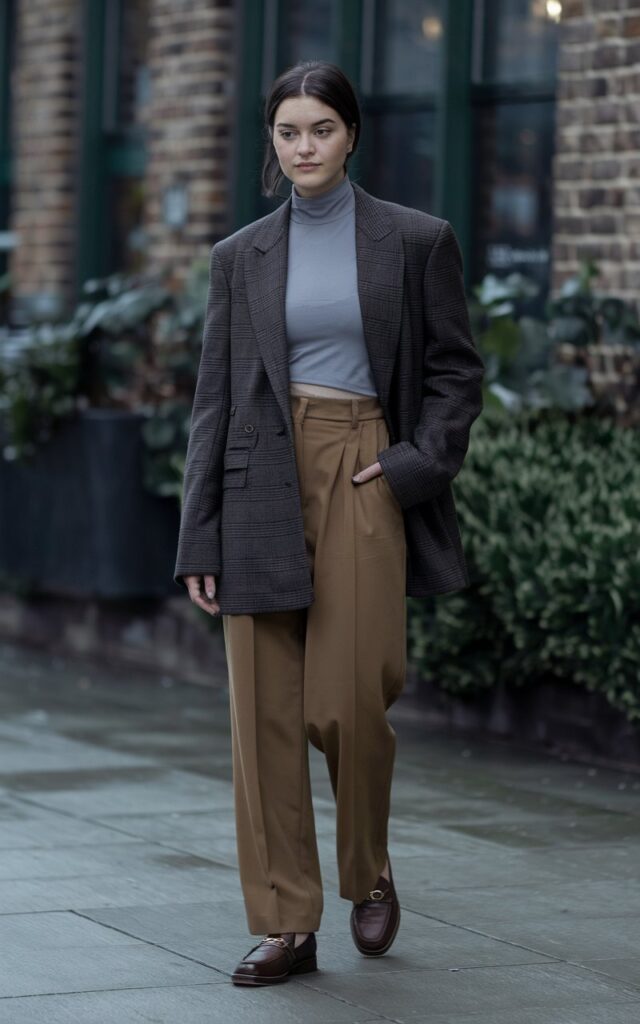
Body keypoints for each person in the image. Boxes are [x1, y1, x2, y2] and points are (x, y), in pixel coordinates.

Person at [174, 59, 484, 986]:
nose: (304, 146)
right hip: (256, 473)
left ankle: (369, 867)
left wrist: (410, 466)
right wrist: (199, 534)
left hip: (363, 470)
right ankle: (285, 922)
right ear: (272, 142)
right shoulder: (240, 257)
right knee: (262, 713)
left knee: (346, 698)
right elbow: (212, 401)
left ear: (351, 134)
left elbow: (455, 374)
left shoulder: (416, 241)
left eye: (321, 129)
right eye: (288, 132)